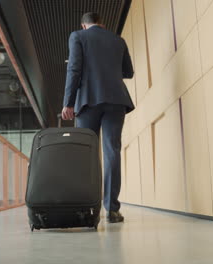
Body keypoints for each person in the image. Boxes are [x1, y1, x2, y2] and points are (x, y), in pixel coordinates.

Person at [61, 12, 135, 223]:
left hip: (87, 101)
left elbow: (74, 69)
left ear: (84, 25)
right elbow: (128, 72)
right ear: (101, 23)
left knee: (87, 154)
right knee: (112, 151)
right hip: (116, 101)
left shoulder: (78, 36)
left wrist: (68, 102)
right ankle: (112, 209)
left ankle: (87, 207)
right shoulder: (118, 40)